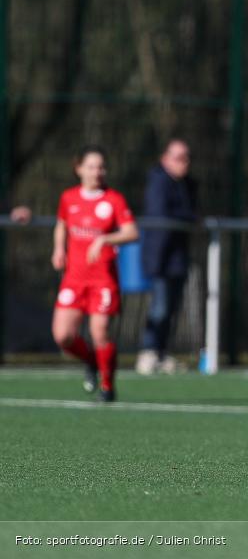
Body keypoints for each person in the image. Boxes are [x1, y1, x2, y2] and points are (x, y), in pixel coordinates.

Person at [51, 145, 139, 401]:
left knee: (100, 331)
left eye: (101, 166)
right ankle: (91, 361)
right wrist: (58, 248)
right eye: (91, 166)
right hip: (74, 278)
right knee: (63, 336)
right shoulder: (69, 198)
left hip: (103, 279)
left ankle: (108, 386)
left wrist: (105, 240)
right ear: (78, 169)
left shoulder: (114, 199)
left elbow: (132, 232)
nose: (97, 171)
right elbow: (62, 224)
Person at [137, 139, 198, 375]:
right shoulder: (159, 182)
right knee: (159, 308)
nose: (184, 163)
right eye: (178, 157)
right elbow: (163, 215)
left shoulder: (187, 185)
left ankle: (161, 352)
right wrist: (190, 217)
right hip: (160, 257)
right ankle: (148, 351)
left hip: (178, 257)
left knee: (172, 308)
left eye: (186, 158)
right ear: (165, 158)